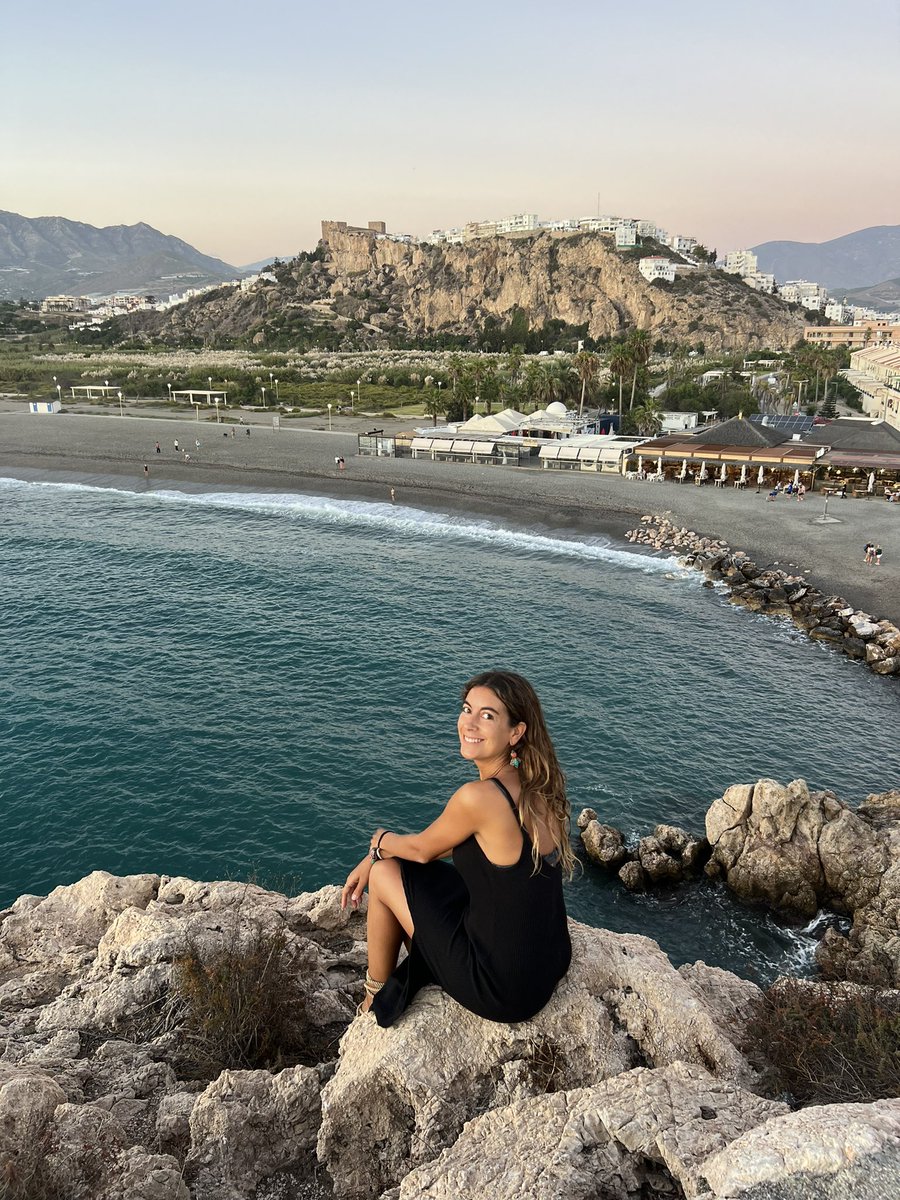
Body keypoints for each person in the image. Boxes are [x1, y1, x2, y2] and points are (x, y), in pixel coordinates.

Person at [341, 670, 573, 1027]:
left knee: (385, 873)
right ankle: (417, 967)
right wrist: (383, 852)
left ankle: (374, 994)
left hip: (502, 988)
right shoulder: (538, 784)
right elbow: (453, 846)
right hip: (547, 962)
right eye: (467, 709)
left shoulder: (479, 798)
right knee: (403, 870)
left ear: (516, 732)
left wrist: (378, 843)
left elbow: (420, 851)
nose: (470, 723)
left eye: (487, 715)